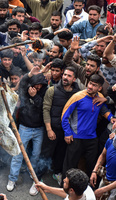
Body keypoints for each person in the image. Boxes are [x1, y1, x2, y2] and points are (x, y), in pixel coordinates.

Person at [29, 67, 80, 196]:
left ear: (74, 79)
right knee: (45, 154)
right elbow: (46, 109)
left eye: (69, 76)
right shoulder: (52, 90)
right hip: (53, 129)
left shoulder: (78, 93)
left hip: (67, 131)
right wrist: (49, 129)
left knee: (61, 155)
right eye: (65, 75)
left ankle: (57, 174)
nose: (65, 77)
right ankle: (37, 180)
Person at [61, 74, 116, 179]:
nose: (90, 87)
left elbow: (103, 109)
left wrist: (111, 118)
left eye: (94, 85)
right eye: (90, 83)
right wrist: (67, 132)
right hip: (76, 137)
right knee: (70, 165)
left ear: (99, 88)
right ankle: (65, 187)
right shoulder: (77, 96)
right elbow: (64, 115)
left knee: (91, 166)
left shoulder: (99, 96)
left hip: (92, 138)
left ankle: (89, 189)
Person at [7, 66, 48, 192]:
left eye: (40, 84)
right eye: (36, 84)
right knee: (18, 154)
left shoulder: (45, 92)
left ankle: (35, 179)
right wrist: (30, 74)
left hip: (39, 129)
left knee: (36, 155)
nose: (38, 87)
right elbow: (23, 83)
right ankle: (12, 178)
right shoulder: (25, 89)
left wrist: (35, 96)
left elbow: (43, 107)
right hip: (24, 128)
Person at [90, 135, 116, 199]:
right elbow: (103, 155)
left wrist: (103, 190)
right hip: (106, 180)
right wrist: (94, 171)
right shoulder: (111, 140)